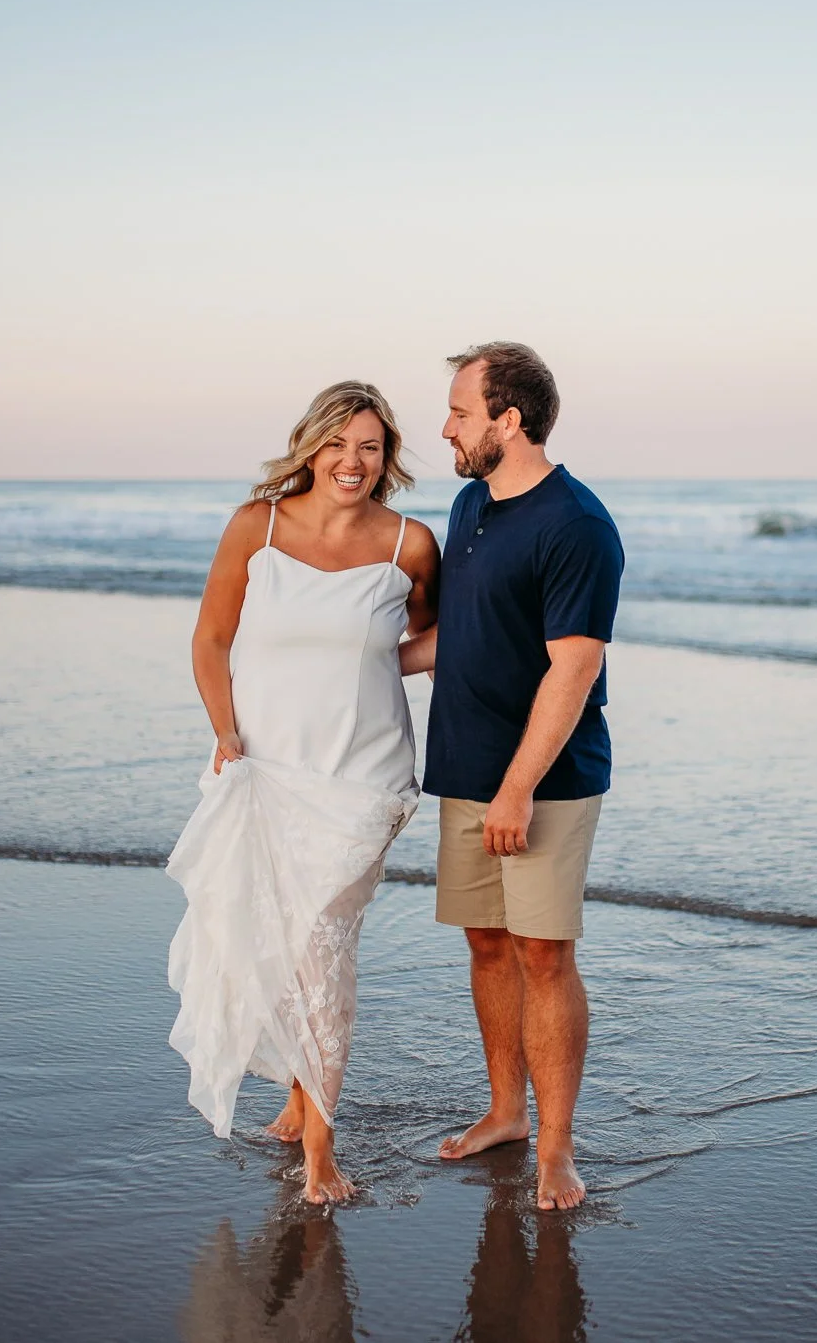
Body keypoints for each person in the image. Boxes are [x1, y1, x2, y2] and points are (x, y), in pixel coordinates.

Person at [166, 380, 440, 1204]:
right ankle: (297, 1094)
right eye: (337, 444)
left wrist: (365, 667)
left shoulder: (410, 545)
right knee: (277, 936)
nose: (352, 462)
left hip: (364, 775)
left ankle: (321, 1138)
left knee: (322, 944)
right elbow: (211, 638)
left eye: (369, 446)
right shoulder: (259, 524)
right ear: (310, 445)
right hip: (263, 766)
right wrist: (224, 730)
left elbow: (437, 634)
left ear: (387, 455)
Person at [397, 342, 625, 1211]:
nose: (446, 427)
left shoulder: (577, 525)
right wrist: (351, 660)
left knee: (543, 952)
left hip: (544, 782)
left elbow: (571, 670)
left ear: (508, 419)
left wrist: (519, 786)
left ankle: (558, 1147)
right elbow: (459, 633)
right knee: (486, 944)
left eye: (459, 411)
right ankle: (505, 1112)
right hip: (463, 766)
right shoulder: (469, 504)